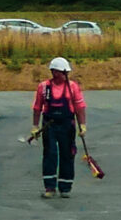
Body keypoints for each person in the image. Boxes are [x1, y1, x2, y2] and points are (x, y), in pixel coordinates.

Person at [31, 56, 87, 199]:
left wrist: (82, 125)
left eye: (66, 73)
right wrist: (35, 126)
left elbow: (80, 107)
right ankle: (50, 187)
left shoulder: (73, 87)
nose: (66, 75)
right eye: (63, 73)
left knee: (67, 154)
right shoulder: (43, 87)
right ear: (54, 72)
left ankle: (65, 187)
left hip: (67, 124)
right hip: (49, 125)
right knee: (50, 154)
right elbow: (37, 108)